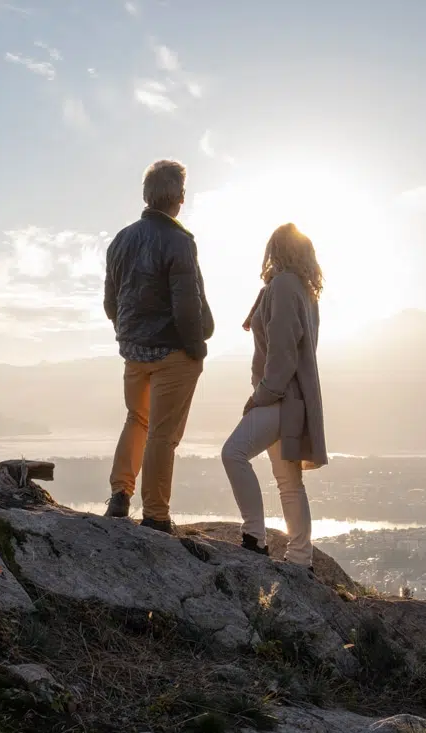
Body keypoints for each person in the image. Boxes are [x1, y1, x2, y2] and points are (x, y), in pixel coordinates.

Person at [102, 159, 215, 534]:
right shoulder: (179, 242)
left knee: (137, 419)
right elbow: (187, 304)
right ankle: (156, 516)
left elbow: (110, 302)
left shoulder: (121, 239)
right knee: (162, 435)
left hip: (133, 353)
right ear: (179, 197)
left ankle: (120, 494)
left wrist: (128, 334)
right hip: (172, 353)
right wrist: (196, 348)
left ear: (147, 195)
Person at [221, 222, 327, 567]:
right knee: (288, 481)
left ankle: (254, 537)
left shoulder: (282, 287)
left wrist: (262, 395)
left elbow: (282, 354)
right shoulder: (304, 291)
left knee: (234, 453)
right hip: (297, 400)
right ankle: (300, 558)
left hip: (280, 397)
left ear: (276, 251)